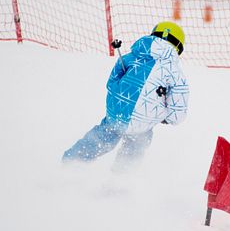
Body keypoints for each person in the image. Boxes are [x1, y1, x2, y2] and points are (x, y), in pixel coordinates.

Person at [62, 21, 189, 169]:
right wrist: (165, 117)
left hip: (117, 112)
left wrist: (117, 97)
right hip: (143, 121)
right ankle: (120, 182)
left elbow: (112, 81)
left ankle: (72, 162)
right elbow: (178, 114)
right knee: (138, 140)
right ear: (178, 48)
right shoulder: (176, 73)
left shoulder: (131, 56)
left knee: (105, 135)